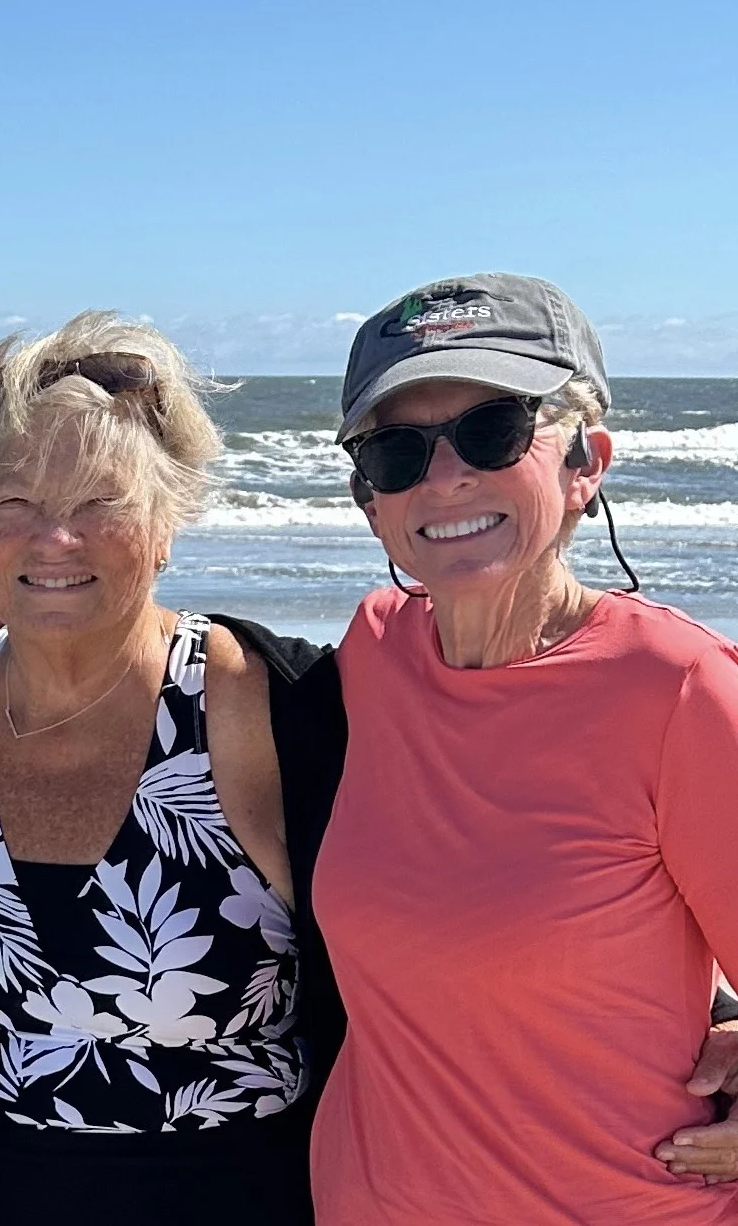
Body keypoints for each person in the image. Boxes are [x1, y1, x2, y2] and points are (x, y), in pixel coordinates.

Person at [0, 315, 337, 1223]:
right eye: (13, 501)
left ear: (170, 522)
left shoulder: (275, 705)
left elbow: (485, 856)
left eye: (101, 500)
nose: (55, 538)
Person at [310, 274, 738, 1223]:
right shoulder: (372, 652)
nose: (446, 475)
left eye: (495, 429)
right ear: (368, 500)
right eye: (397, 450)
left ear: (587, 461)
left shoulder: (679, 688)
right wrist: (7, 645)